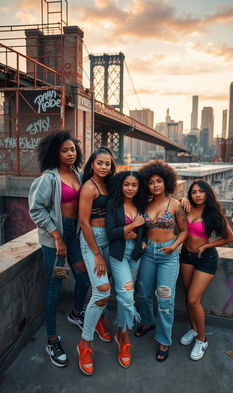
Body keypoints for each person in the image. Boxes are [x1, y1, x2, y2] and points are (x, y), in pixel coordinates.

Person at [29, 130, 90, 368]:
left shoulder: (79, 173)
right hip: (55, 239)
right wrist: (56, 237)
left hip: (74, 235)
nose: (70, 153)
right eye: (65, 150)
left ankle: (76, 313)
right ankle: (52, 339)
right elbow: (36, 210)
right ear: (55, 152)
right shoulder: (49, 178)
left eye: (73, 149)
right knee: (54, 288)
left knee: (83, 279)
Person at [135, 160, 188, 362]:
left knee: (165, 300)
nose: (155, 185)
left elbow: (184, 231)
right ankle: (149, 321)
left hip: (168, 256)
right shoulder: (145, 204)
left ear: (166, 181)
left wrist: (174, 247)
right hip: (148, 253)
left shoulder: (176, 205)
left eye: (159, 181)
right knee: (143, 293)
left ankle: (164, 339)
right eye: (150, 182)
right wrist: (141, 242)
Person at [179, 179, 233, 360]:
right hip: (186, 256)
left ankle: (202, 340)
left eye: (200, 192)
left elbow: (230, 237)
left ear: (207, 193)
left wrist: (207, 245)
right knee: (188, 297)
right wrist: (181, 199)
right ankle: (194, 330)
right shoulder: (186, 207)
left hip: (206, 259)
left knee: (194, 300)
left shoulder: (213, 213)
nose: (197, 195)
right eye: (193, 192)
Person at [77, 146, 116, 376]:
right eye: (100, 163)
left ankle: (99, 321)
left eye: (108, 164)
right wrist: (98, 254)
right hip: (92, 240)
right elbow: (84, 223)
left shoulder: (109, 186)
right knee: (102, 291)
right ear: (92, 164)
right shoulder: (89, 188)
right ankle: (85, 344)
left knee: (101, 285)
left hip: (108, 240)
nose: (103, 167)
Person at [105, 171, 146, 368]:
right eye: (126, 184)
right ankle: (126, 341)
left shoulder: (141, 205)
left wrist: (143, 240)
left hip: (135, 255)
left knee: (123, 296)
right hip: (119, 254)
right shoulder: (113, 205)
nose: (130, 188)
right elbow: (110, 233)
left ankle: (120, 332)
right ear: (121, 185)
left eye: (134, 185)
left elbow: (145, 229)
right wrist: (132, 227)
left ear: (139, 187)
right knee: (128, 295)